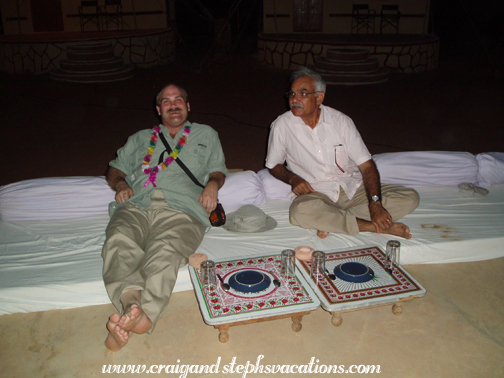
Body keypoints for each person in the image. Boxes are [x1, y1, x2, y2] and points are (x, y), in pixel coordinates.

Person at [102, 84, 227, 351]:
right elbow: (114, 170)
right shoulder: (140, 138)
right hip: (138, 203)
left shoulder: (206, 134)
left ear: (188, 106)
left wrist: (213, 185)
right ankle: (131, 306)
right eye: (166, 102)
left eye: (179, 100)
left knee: (165, 250)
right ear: (158, 109)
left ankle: (141, 316)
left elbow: (218, 171)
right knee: (119, 240)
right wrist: (121, 185)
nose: (173, 105)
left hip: (182, 209)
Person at [265, 67, 419, 240]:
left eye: (303, 93)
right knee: (299, 212)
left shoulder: (341, 122)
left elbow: (367, 166)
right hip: (316, 193)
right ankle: (369, 226)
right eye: (292, 94)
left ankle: (332, 221)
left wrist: (375, 204)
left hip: (351, 188)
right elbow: (273, 165)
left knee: (409, 197)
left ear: (319, 97)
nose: (295, 99)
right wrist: (293, 179)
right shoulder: (282, 125)